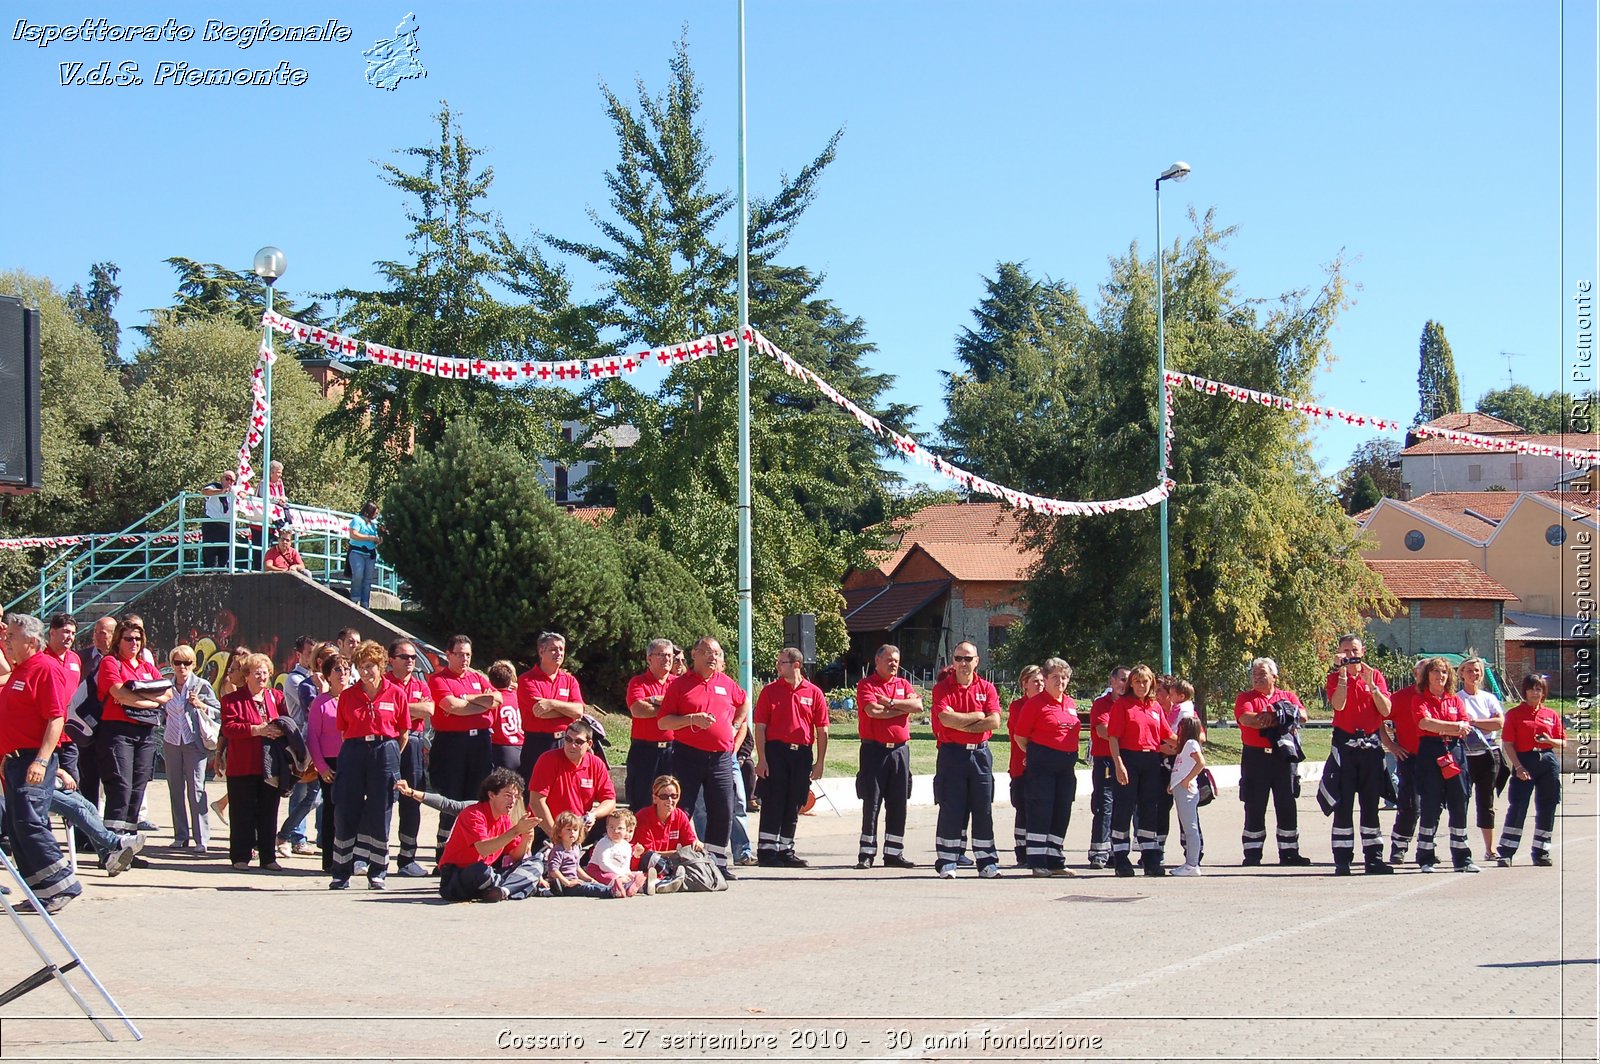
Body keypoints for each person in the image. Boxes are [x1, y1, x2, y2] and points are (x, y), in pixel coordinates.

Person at [0, 613, 81, 913]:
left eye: (12, 638)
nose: (7, 642)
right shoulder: (21, 670)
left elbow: (55, 718)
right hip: (14, 761)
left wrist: (42, 760)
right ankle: (43, 892)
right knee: (17, 825)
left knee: (28, 821)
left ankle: (62, 881)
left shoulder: (44, 668)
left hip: (33, 759)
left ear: (31, 641)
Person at [658, 636, 745, 877]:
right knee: (682, 808)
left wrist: (736, 724)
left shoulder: (726, 683)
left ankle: (717, 863)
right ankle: (678, 862)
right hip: (688, 755)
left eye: (716, 653)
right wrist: (691, 720)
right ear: (694, 654)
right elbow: (664, 720)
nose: (712, 657)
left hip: (720, 758)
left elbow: (744, 701)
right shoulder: (679, 685)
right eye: (707, 652)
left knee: (724, 808)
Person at [329, 640, 407, 890]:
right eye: (361, 666)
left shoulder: (396, 693)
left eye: (370, 666)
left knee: (380, 809)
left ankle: (378, 871)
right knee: (346, 808)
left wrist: (389, 755)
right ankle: (341, 872)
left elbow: (403, 731)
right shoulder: (349, 696)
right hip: (354, 750)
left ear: (381, 665)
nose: (365, 672)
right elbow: (343, 731)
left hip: (385, 750)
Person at [930, 641, 1002, 879]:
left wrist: (963, 721)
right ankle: (948, 861)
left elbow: (995, 721)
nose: (963, 663)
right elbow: (945, 719)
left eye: (968, 659)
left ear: (977, 661)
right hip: (952, 754)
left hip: (980, 755)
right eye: (959, 658)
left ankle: (987, 861)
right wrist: (977, 716)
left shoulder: (987, 688)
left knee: (983, 808)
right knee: (951, 807)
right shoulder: (942, 689)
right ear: (953, 660)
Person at [96, 615, 173, 839]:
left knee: (138, 788)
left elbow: (167, 693)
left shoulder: (147, 667)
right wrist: (151, 700)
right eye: (128, 639)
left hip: (145, 732)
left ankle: (128, 844)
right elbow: (120, 694)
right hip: (117, 731)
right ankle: (112, 845)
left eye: (138, 639)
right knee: (120, 786)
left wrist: (138, 697)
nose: (134, 643)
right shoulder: (111, 662)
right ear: (118, 640)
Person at [752, 646, 829, 867]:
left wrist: (820, 762)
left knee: (795, 800)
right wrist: (763, 759)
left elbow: (822, 729)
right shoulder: (770, 691)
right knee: (773, 801)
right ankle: (767, 852)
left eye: (781, 662)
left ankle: (786, 850)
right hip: (776, 752)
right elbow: (760, 727)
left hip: (802, 753)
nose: (777, 666)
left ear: (796, 665)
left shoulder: (813, 692)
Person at [1325, 634, 1394, 875]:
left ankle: (1373, 858)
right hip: (1345, 746)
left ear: (1362, 650)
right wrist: (1343, 675)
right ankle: (1342, 860)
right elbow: (1338, 705)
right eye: (1345, 651)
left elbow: (1386, 710)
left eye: (1354, 650)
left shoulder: (1374, 675)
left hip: (1371, 747)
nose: (1350, 655)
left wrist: (1372, 685)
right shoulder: (1334, 677)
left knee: (1370, 804)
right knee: (1343, 804)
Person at [427, 635, 500, 861]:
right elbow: (452, 706)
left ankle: (473, 847)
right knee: (452, 797)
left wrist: (466, 699)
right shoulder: (439, 679)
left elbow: (496, 698)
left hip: (480, 743)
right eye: (459, 654)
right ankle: (443, 850)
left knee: (477, 797)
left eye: (468, 654)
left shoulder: (477, 677)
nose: (464, 659)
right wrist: (479, 704)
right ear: (448, 654)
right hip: (452, 744)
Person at [1233, 657, 1310, 867]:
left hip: (1283, 757)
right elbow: (1247, 719)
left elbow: (1302, 715)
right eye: (1254, 674)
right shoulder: (1245, 697)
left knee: (1286, 803)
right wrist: (1278, 719)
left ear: (1274, 676)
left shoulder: (1287, 696)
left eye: (1262, 674)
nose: (1257, 677)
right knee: (1254, 804)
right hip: (1255, 758)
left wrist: (1275, 717)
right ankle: (1252, 854)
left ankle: (1289, 853)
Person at [1403, 657, 1478, 873]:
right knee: (1430, 804)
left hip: (1454, 751)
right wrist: (1452, 727)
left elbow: (1465, 726)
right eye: (1436, 672)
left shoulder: (1454, 700)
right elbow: (1425, 723)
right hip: (1430, 751)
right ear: (1427, 675)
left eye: (1444, 672)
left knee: (1459, 802)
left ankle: (1462, 858)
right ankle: (1426, 856)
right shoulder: (1420, 700)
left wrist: (1448, 728)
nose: (1440, 676)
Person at [427, 768, 545, 903]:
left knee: (536, 863)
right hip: (458, 876)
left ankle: (503, 890)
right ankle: (516, 885)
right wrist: (516, 830)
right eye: (507, 795)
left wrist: (526, 839)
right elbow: (483, 849)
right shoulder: (473, 814)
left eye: (515, 797)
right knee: (482, 871)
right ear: (491, 795)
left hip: (488, 875)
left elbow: (514, 856)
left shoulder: (504, 819)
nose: (513, 801)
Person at [219, 652, 289, 871]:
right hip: (242, 765)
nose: (262, 677)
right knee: (242, 812)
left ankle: (268, 857)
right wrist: (256, 730)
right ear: (247, 675)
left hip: (270, 766)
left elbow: (287, 722)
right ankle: (240, 856)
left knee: (269, 811)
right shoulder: (232, 700)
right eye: (257, 673)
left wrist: (278, 730)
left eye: (265, 673)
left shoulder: (276, 697)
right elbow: (229, 728)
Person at [1011, 657, 1080, 877]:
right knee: (1041, 811)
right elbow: (1020, 736)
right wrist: (1034, 755)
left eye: (1064, 677)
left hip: (1066, 767)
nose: (1060, 681)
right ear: (1047, 678)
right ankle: (1038, 861)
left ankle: (1055, 859)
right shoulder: (1035, 703)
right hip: (1042, 766)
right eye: (1055, 677)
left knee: (1062, 811)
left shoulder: (1070, 703)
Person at [853, 644, 920, 870]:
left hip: (899, 751)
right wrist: (903, 710)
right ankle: (866, 853)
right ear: (877, 661)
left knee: (898, 802)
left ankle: (894, 852)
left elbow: (918, 705)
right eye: (889, 660)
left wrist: (890, 703)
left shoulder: (903, 684)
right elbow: (873, 711)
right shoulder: (867, 684)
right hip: (874, 751)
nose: (894, 664)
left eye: (896, 660)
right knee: (871, 802)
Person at [1109, 664, 1176, 876]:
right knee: (1124, 808)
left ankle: (1150, 858)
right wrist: (1119, 764)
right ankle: (1120, 858)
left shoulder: (1155, 707)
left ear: (1152, 683)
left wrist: (1190, 741)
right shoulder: (1123, 705)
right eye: (1137, 681)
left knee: (1150, 809)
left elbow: (1167, 735)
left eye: (1145, 681)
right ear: (1131, 684)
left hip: (1150, 761)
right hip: (1129, 759)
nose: (1141, 685)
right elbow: (1113, 737)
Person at [1496, 673, 1567, 867]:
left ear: (1543, 692)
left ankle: (1541, 851)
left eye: (1539, 689)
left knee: (1548, 806)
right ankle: (1506, 852)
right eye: (1532, 689)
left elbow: (1563, 742)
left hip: (1547, 761)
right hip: (1524, 761)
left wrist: (1549, 741)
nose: (1535, 693)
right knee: (1518, 806)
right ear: (1525, 691)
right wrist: (1518, 767)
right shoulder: (1514, 714)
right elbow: (1508, 743)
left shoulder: (1551, 714)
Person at [383, 639, 433, 876]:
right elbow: (381, 709)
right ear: (391, 660)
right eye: (405, 657)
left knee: (411, 800)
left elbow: (429, 710)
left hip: (413, 742)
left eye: (413, 657)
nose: (411, 661)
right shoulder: (383, 683)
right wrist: (412, 708)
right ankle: (374, 855)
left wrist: (396, 707)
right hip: (388, 741)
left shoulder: (420, 684)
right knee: (381, 799)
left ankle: (407, 857)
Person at [163, 644, 219, 856]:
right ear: (172, 664)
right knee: (175, 789)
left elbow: (218, 710)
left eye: (187, 663)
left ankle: (201, 837)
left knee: (196, 790)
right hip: (171, 741)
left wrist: (201, 705)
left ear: (194, 665)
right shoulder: (166, 686)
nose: (182, 667)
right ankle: (180, 835)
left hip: (194, 743)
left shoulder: (201, 685)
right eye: (178, 663)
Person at [274, 637, 324, 858]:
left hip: (322, 743)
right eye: (309, 653)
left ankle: (290, 834)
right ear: (299, 654)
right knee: (302, 793)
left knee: (314, 796)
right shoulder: (297, 681)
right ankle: (293, 836)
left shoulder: (317, 680)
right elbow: (313, 709)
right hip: (303, 743)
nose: (313, 658)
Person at [527, 719, 613, 845]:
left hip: (578, 827)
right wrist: (555, 836)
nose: (572, 745)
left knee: (615, 821)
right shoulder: (548, 760)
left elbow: (610, 801)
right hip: (547, 828)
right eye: (568, 739)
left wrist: (593, 815)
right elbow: (536, 802)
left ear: (589, 744)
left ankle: (592, 858)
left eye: (578, 742)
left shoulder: (596, 764)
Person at [61, 615, 115, 810]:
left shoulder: (120, 659)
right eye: (94, 632)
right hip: (86, 729)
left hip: (112, 728)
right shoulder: (80, 657)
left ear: (113, 635)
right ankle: (84, 833)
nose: (96, 636)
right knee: (87, 779)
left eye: (102, 633)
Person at [306, 652, 352, 874]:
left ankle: (351, 858)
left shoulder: (355, 698)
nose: (342, 674)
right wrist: (321, 767)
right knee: (331, 810)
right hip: (330, 764)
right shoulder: (320, 702)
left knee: (352, 810)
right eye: (337, 670)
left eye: (345, 669)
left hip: (353, 760)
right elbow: (312, 737)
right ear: (328, 675)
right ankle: (329, 860)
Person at [515, 632, 586, 776]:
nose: (558, 653)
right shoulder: (527, 680)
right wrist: (567, 712)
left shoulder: (569, 680)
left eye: (561, 649)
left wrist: (552, 704)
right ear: (541, 651)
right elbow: (541, 713)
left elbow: (579, 711)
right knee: (535, 788)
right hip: (538, 744)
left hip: (565, 741)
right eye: (553, 649)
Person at [1457, 657, 1505, 863]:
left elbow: (1499, 723)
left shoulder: (1489, 698)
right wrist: (1480, 725)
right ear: (1461, 674)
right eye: (1469, 670)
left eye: (1476, 671)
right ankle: (1460, 846)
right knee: (1461, 801)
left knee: (1486, 802)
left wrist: (1474, 722)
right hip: (1465, 755)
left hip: (1488, 754)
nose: (1473, 674)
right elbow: (1457, 725)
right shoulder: (1456, 698)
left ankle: (1490, 848)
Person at [624, 639, 677, 813]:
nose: (667, 659)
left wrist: (654, 700)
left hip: (672, 751)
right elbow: (639, 710)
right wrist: (671, 707)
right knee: (641, 800)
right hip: (644, 752)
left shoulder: (678, 683)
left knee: (670, 801)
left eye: (669, 655)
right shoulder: (638, 682)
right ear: (649, 659)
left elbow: (684, 708)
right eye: (661, 655)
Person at [1384, 659, 1429, 864]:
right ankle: (1399, 846)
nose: (1426, 675)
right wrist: (1392, 746)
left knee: (1432, 806)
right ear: (1414, 673)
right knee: (1410, 805)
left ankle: (1427, 848)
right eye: (1422, 671)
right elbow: (1380, 722)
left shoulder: (1438, 696)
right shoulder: (1400, 697)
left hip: (1434, 757)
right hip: (1409, 757)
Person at [1086, 665, 1129, 868]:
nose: (1125, 684)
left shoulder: (1132, 704)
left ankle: (1116, 850)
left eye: (1128, 680)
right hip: (1106, 761)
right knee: (1105, 806)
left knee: (1123, 807)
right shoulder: (1102, 704)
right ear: (1111, 681)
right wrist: (1128, 733)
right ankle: (1099, 853)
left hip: (1126, 760)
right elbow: (1103, 730)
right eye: (1122, 679)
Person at [632, 774, 699, 895]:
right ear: (655, 798)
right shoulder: (643, 816)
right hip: (646, 862)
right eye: (664, 796)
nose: (670, 801)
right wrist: (678, 853)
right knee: (652, 858)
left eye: (674, 796)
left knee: (701, 856)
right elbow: (646, 852)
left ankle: (667, 880)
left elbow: (689, 845)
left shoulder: (680, 815)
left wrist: (696, 845)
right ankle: (673, 877)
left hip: (671, 860)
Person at [1006, 665, 1045, 866]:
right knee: (1023, 810)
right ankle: (1022, 851)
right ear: (1024, 685)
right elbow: (1022, 733)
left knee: (1040, 810)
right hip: (1022, 768)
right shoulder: (1017, 707)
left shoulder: (1046, 705)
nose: (1039, 685)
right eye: (1035, 681)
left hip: (1043, 768)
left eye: (1041, 681)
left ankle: (1038, 850)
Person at [1167, 716, 1207, 877]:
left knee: (1190, 828)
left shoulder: (1191, 744)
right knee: (1188, 827)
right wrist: (1173, 784)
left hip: (1187, 791)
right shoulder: (1185, 746)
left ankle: (1192, 864)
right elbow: (1181, 767)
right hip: (1179, 789)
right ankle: (1191, 863)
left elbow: (1200, 763)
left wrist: (1187, 780)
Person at [546, 810, 612, 897]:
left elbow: (577, 868)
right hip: (564, 885)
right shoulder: (558, 850)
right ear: (559, 832)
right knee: (588, 889)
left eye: (575, 830)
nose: (572, 832)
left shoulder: (575, 848)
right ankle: (611, 891)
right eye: (568, 829)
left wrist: (589, 878)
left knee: (594, 884)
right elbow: (553, 870)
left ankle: (614, 888)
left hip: (574, 881)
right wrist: (567, 882)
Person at [586, 809, 646, 897]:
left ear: (627, 830)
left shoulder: (626, 846)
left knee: (636, 874)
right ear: (606, 828)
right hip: (598, 870)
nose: (615, 831)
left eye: (620, 828)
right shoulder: (603, 843)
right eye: (611, 827)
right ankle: (623, 886)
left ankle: (633, 885)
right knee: (610, 877)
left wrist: (627, 873)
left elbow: (625, 865)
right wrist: (620, 874)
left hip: (617, 871)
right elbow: (604, 864)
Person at [486, 660, 524, 774]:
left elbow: (488, 724)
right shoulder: (518, 696)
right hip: (521, 746)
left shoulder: (494, 700)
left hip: (502, 749)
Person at [199, 470, 238, 569]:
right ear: (222, 478)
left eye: (232, 481)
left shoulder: (233, 491)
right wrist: (221, 491)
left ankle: (223, 573)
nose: (230, 482)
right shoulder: (214, 486)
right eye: (227, 479)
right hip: (213, 524)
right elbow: (205, 492)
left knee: (224, 555)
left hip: (227, 526)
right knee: (210, 554)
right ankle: (209, 574)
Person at [346, 502, 380, 608]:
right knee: (358, 575)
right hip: (357, 552)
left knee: (368, 579)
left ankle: (365, 603)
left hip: (370, 554)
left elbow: (376, 539)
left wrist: (379, 539)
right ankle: (355, 598)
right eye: (375, 513)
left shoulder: (373, 525)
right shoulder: (357, 520)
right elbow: (354, 534)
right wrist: (370, 537)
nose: (376, 515)